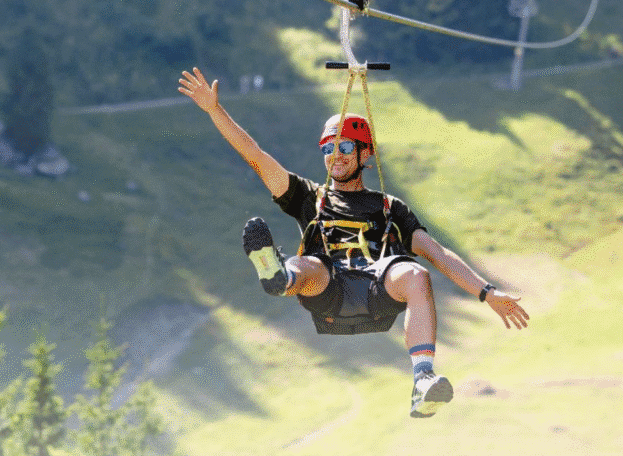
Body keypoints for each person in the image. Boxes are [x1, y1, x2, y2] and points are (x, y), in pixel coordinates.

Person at [177, 67, 529, 418]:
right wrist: (214, 109)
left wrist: (487, 292)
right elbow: (254, 155)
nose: (336, 155)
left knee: (416, 274)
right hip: (327, 289)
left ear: (366, 154)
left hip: (378, 291)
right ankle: (279, 277)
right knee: (308, 265)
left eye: (345, 146)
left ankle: (423, 380)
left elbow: (438, 254)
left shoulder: (390, 208)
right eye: (328, 148)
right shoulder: (308, 197)